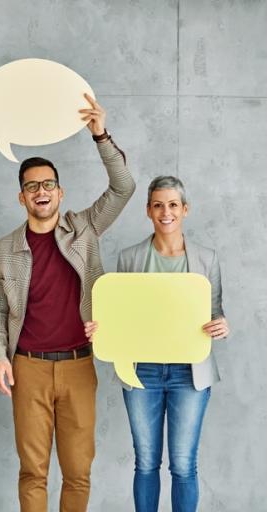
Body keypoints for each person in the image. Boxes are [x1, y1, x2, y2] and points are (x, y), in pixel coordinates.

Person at [0, 94, 135, 511]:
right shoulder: (2, 250)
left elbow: (124, 188)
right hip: (28, 366)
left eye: (48, 184)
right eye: (31, 186)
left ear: (60, 192)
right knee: (33, 471)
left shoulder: (84, 228)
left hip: (78, 365)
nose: (41, 191)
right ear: (22, 197)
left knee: (78, 471)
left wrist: (100, 135)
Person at [86, 176, 229, 512]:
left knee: (183, 464)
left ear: (185, 209)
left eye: (173, 205)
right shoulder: (130, 258)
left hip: (189, 373)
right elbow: (121, 315)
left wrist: (221, 325)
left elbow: (215, 311)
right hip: (142, 372)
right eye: (158, 205)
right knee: (146, 462)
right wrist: (101, 329)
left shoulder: (206, 259)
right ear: (148, 210)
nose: (166, 212)